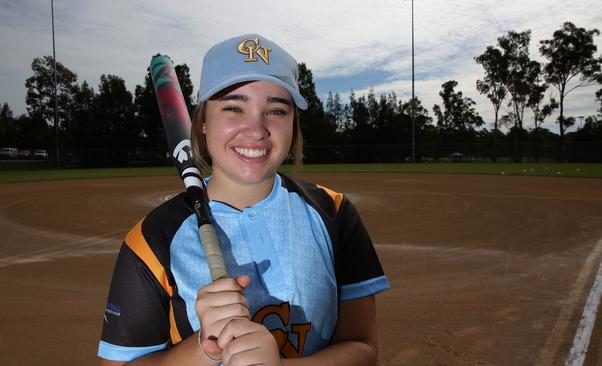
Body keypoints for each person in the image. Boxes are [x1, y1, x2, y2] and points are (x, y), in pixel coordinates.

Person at [97, 33, 390, 366]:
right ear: (203, 122)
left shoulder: (334, 213)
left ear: (293, 125)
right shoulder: (153, 237)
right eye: (234, 107)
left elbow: (364, 346)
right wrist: (204, 349)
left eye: (277, 110)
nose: (256, 130)